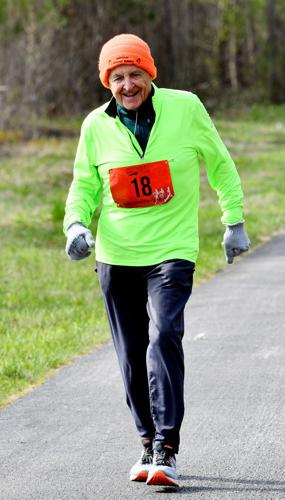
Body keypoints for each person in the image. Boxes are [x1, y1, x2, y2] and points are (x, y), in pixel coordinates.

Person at [63, 33, 250, 487]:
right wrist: (75, 224)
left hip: (172, 249)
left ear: (151, 74)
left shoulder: (185, 108)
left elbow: (219, 162)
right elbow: (84, 184)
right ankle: (146, 442)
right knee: (129, 354)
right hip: (117, 253)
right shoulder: (95, 126)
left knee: (165, 335)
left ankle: (166, 447)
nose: (128, 85)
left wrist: (234, 220)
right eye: (118, 77)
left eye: (136, 74)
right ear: (107, 82)